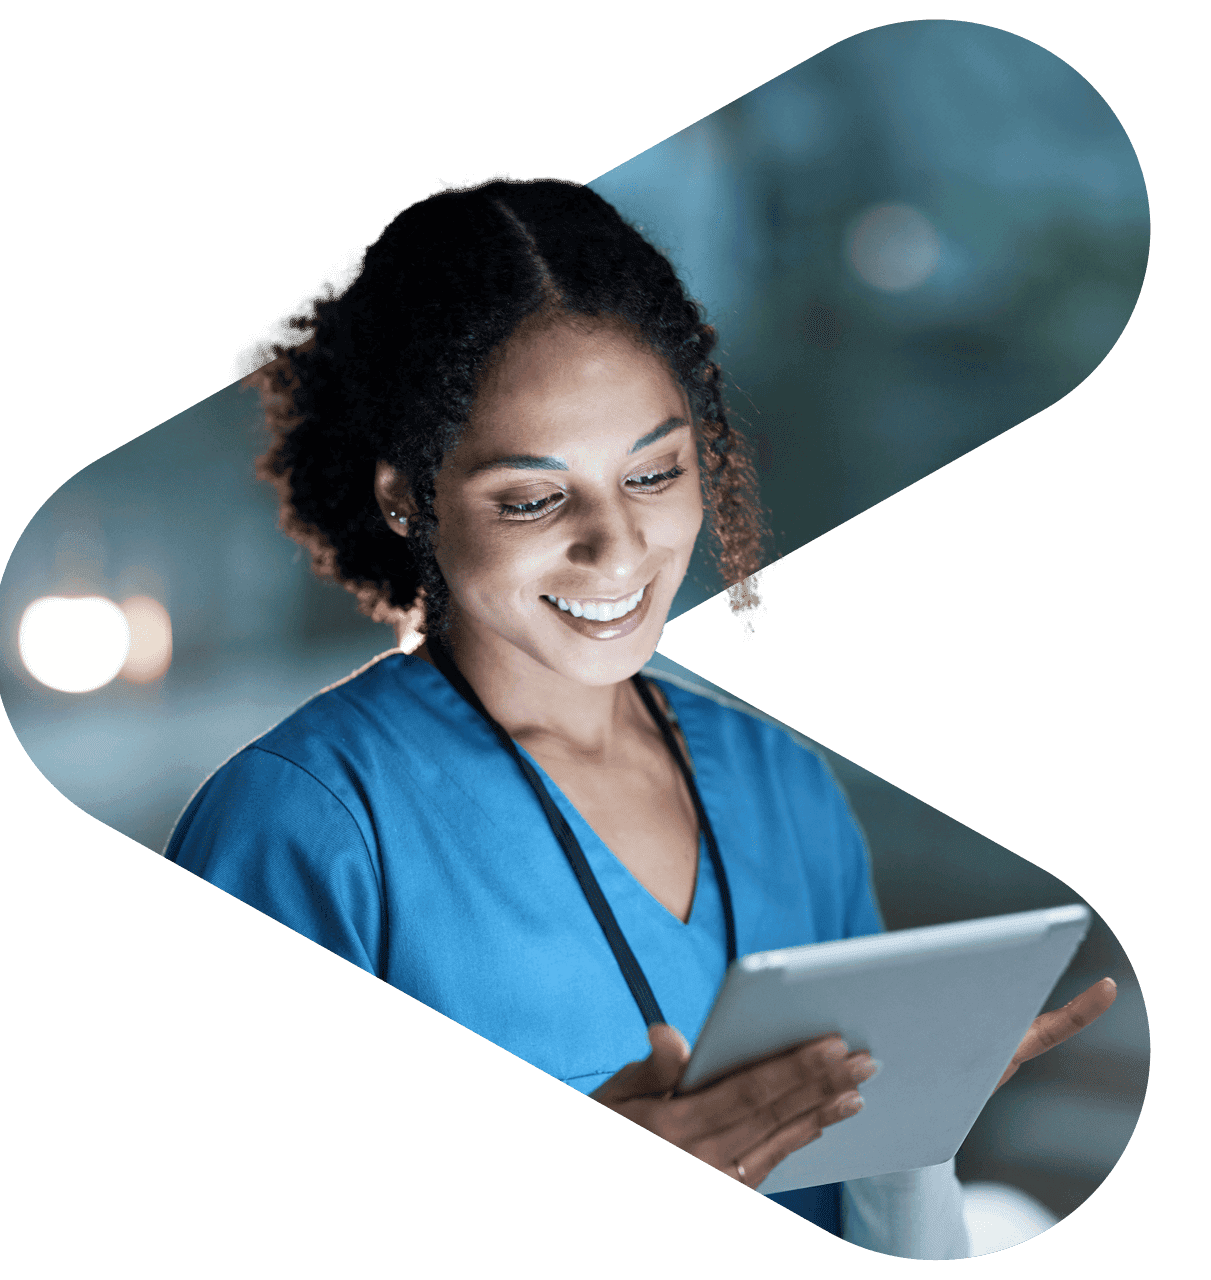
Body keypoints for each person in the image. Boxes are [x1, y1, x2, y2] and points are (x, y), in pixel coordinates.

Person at [165, 177, 1115, 1256]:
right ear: (405, 497)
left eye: (654, 471)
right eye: (532, 496)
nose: (617, 547)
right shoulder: (304, 827)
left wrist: (910, 1116)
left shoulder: (780, 784)